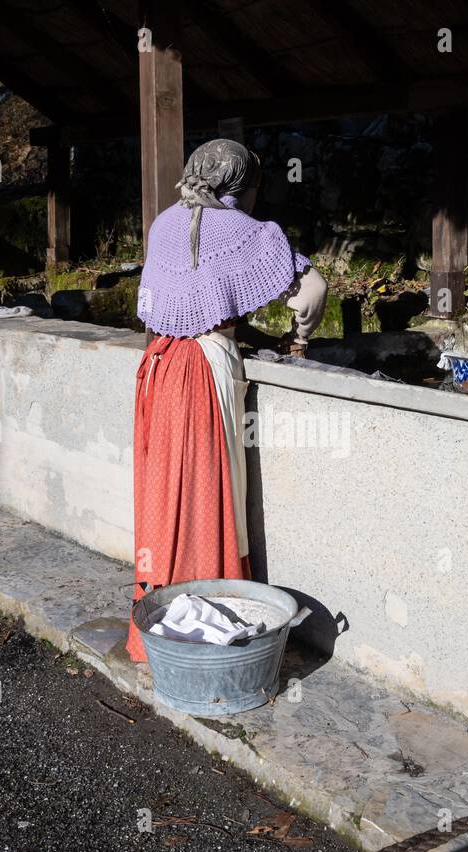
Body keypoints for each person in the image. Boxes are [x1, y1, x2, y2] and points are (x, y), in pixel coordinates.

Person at [126, 139, 326, 675]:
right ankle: (210, 610)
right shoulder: (248, 231)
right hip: (205, 370)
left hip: (159, 367)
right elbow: (311, 289)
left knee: (166, 491)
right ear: (243, 185)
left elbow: (169, 297)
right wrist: (300, 337)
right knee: (209, 492)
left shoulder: (163, 223)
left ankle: (164, 608)